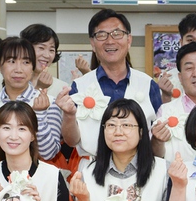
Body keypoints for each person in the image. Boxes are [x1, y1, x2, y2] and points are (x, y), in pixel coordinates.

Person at [58, 10, 161, 159]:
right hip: (92, 169)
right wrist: (68, 115)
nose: (110, 41)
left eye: (117, 33)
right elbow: (72, 141)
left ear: (129, 40)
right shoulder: (79, 87)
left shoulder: (148, 84)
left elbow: (158, 135)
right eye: (101, 35)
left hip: (140, 169)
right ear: (93, 44)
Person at [0, 37, 62, 164]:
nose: (18, 69)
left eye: (26, 62)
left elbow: (49, 153)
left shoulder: (48, 103)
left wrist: (40, 116)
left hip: (37, 178)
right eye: (11, 61)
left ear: (32, 67)